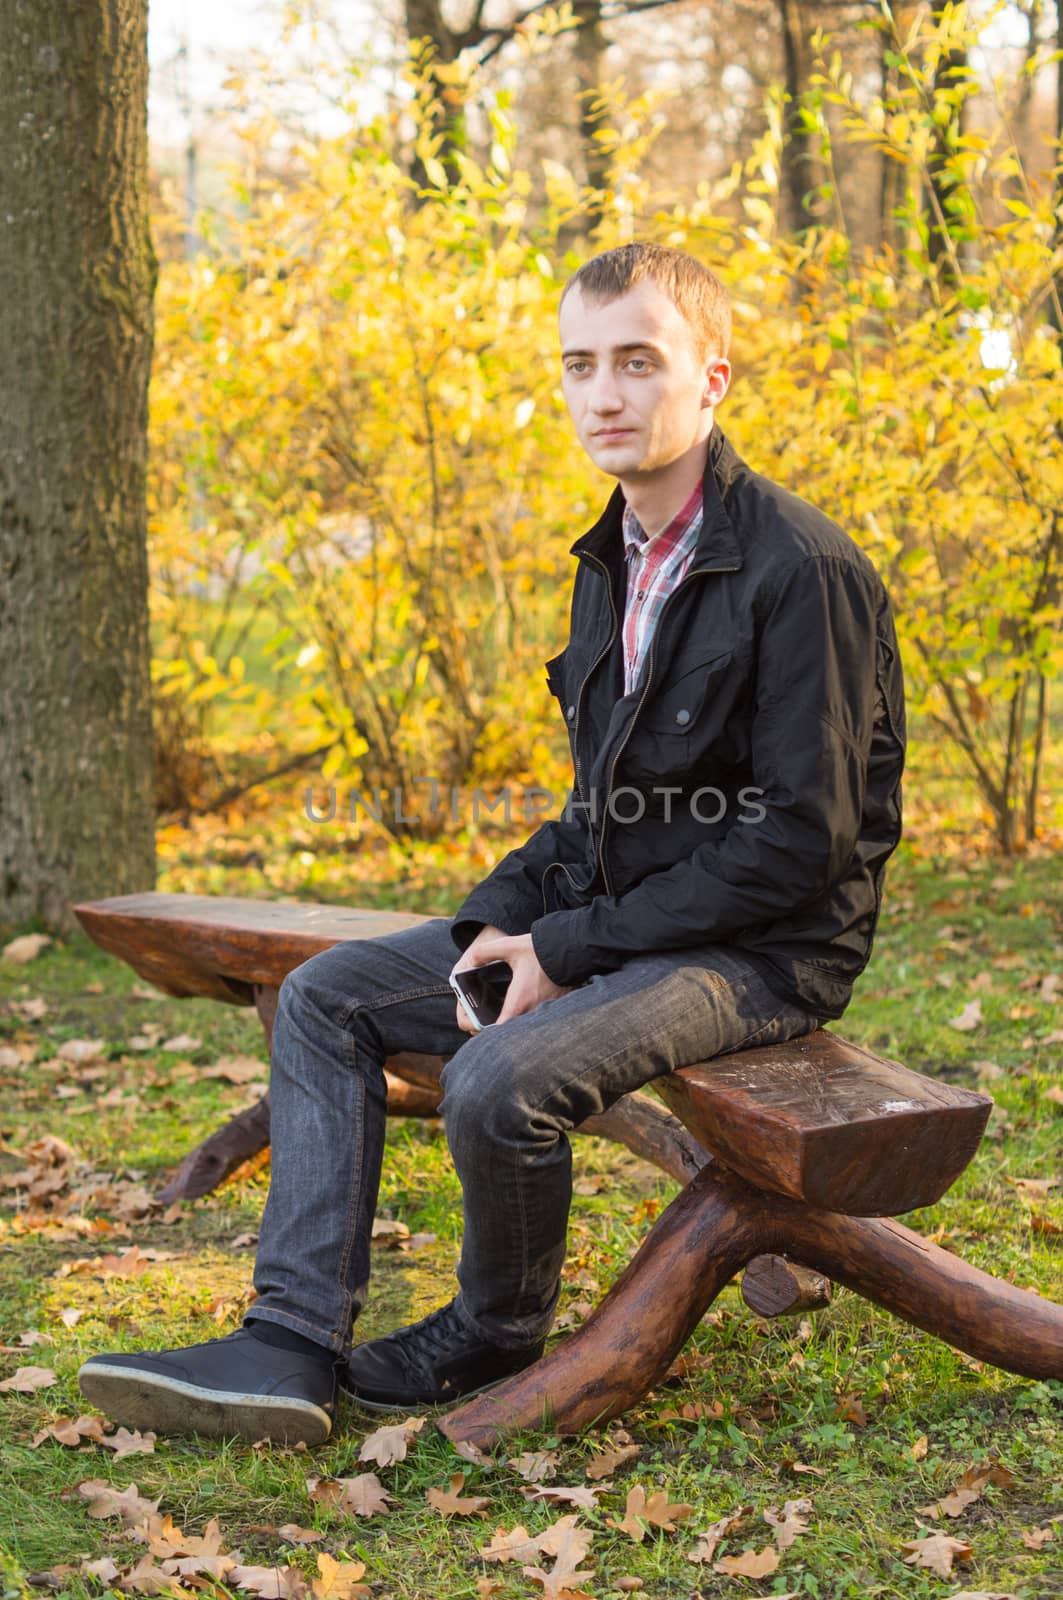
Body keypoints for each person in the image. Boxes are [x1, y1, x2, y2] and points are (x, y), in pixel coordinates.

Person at [78, 242, 905, 1445]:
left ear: (711, 380)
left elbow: (798, 845)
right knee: (325, 999)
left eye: (638, 360)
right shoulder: (610, 561)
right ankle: (290, 1343)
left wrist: (564, 947)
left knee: (498, 1079)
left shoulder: (799, 569)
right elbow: (599, 809)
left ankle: (497, 1326)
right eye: (580, 365)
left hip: (768, 952)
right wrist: (491, 926)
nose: (605, 394)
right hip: (632, 919)